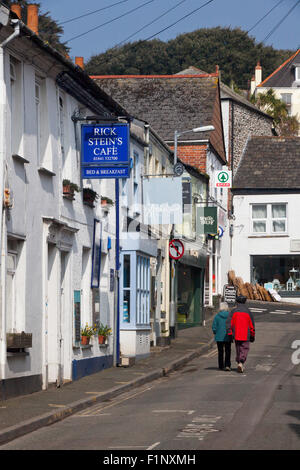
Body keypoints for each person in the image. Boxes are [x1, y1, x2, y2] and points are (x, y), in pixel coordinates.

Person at [226, 295, 255, 373]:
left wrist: (229, 332)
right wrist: (252, 335)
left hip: (236, 334)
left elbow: (229, 323)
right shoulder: (248, 312)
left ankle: (239, 362)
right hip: (246, 334)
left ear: (237, 302)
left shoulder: (233, 311)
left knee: (238, 349)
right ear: (245, 302)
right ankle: (241, 362)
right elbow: (251, 325)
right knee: (244, 348)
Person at [212, 302, 232, 371]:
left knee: (220, 351)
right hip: (228, 336)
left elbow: (214, 327)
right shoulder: (230, 315)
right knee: (228, 351)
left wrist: (215, 332)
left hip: (219, 336)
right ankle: (227, 365)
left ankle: (221, 366)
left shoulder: (217, 316)